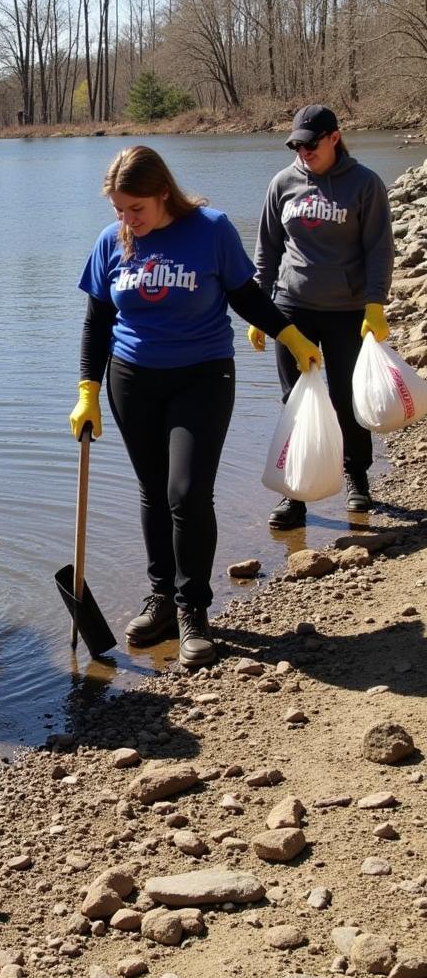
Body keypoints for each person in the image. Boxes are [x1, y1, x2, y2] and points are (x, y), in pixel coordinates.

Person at [69, 146, 320, 665]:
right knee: (152, 490)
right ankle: (160, 596)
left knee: (187, 491)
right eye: (118, 210)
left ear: (164, 193)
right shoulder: (110, 241)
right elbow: (97, 321)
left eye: (135, 209)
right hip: (131, 379)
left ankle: (193, 611)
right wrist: (87, 390)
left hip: (202, 375)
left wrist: (290, 336)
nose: (127, 220)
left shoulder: (210, 229)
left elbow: (244, 295)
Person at [252, 104, 395, 529]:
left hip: (347, 310)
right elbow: (267, 252)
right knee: (294, 402)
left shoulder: (365, 184)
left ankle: (356, 477)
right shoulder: (282, 183)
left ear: (334, 137)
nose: (303, 151)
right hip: (291, 309)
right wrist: (260, 310)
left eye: (310, 143)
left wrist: (375, 303)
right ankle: (294, 494)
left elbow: (379, 249)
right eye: (296, 144)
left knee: (348, 398)